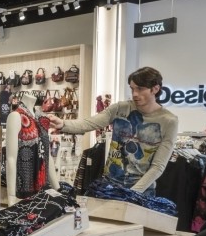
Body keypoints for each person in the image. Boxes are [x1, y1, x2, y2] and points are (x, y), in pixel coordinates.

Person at [47, 67, 179, 195]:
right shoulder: (120, 108)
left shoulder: (169, 121)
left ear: (155, 89)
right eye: (132, 88)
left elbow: (158, 166)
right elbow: (89, 123)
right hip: (109, 186)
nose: (134, 94)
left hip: (141, 192)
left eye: (140, 89)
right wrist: (62, 124)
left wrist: (132, 194)